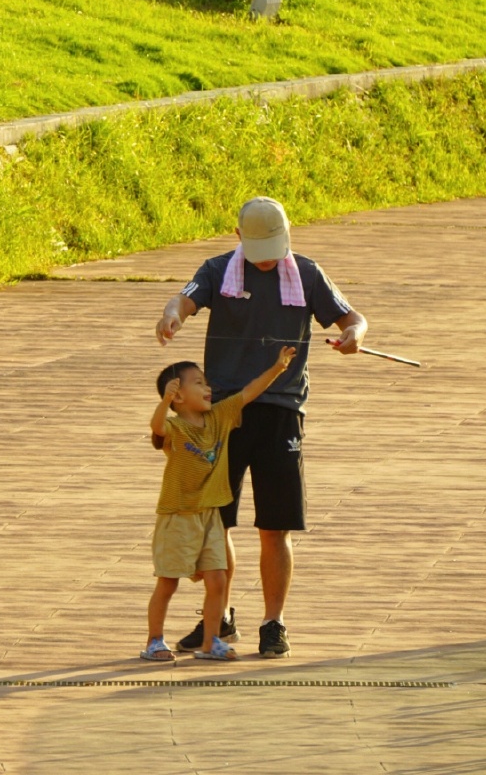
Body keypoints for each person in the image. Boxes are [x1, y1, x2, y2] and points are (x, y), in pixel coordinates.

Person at [154, 196, 367, 658]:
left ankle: (274, 622)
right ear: (238, 239)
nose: (269, 257)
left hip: (282, 409)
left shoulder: (307, 273)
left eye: (276, 245)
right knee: (217, 522)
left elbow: (354, 317)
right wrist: (172, 315)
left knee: (277, 526)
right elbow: (183, 299)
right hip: (224, 415)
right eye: (259, 248)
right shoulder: (217, 270)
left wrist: (355, 336)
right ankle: (221, 617)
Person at [142, 348, 295, 663]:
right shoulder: (175, 428)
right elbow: (157, 426)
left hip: (210, 515)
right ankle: (154, 640)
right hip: (178, 517)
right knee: (168, 582)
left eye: (206, 381)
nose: (207, 387)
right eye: (198, 383)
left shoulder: (220, 417)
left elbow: (249, 392)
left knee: (217, 580)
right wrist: (164, 402)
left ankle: (212, 643)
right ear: (178, 397)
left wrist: (278, 368)